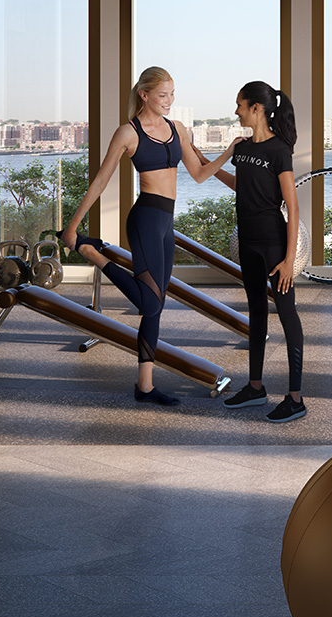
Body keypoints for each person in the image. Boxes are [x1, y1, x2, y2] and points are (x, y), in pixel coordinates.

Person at [61, 66, 233, 405]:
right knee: (148, 301)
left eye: (172, 95)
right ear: (144, 95)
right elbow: (101, 180)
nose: (169, 101)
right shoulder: (128, 133)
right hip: (145, 220)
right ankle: (93, 253)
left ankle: (145, 386)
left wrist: (228, 154)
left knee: (154, 309)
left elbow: (198, 173)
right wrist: (73, 225)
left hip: (167, 222)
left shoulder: (177, 128)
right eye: (163, 95)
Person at [208, 81, 307, 424]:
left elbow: (292, 208)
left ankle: (295, 398)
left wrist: (289, 260)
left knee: (287, 315)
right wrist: (211, 165)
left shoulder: (281, 150)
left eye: (240, 105)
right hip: (248, 243)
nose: (236, 111)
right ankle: (255, 387)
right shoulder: (242, 147)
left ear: (257, 109)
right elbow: (242, 184)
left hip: (274, 245)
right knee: (256, 314)